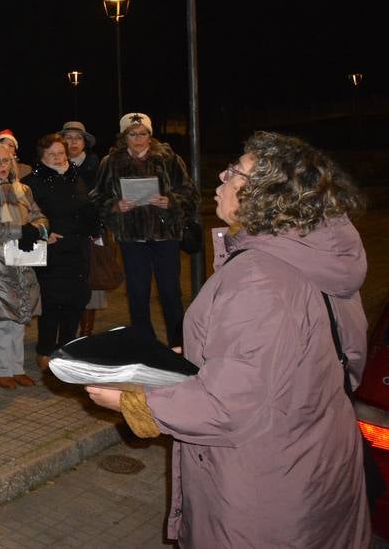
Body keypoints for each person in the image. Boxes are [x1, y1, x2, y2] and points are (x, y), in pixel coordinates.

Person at [87, 132, 371, 547]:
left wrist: (132, 401)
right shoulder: (313, 252)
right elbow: (318, 354)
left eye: (236, 171)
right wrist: (201, 353)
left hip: (265, 485)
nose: (222, 175)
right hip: (313, 452)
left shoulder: (261, 277)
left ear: (266, 196)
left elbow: (228, 403)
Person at [93, 112, 198, 348]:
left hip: (165, 236)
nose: (138, 139)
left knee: (170, 292)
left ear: (150, 136)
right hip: (132, 239)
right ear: (124, 137)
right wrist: (115, 205)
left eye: (143, 133)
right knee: (137, 293)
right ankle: (144, 344)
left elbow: (190, 193)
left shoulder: (169, 159)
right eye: (132, 134)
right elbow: (97, 197)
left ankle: (178, 344)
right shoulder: (111, 162)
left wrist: (171, 201)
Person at [0, 140, 49, 389]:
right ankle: (2, 369)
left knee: (20, 318)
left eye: (6, 160)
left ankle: (17, 367)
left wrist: (36, 229)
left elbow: (40, 217)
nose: (2, 165)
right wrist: (19, 230)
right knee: (1, 319)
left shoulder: (22, 190)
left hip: (22, 264)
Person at [21, 134, 95, 371]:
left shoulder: (76, 177)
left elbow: (85, 208)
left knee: (75, 302)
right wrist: (44, 232)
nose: (57, 158)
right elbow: (23, 216)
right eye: (51, 154)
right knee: (51, 304)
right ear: (42, 157)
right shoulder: (31, 182)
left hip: (78, 250)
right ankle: (45, 350)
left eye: (61, 153)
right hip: (52, 252)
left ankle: (66, 350)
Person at [59, 121, 105, 337]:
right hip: (64, 233)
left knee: (91, 281)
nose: (73, 142)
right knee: (66, 282)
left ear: (85, 142)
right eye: (68, 138)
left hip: (90, 231)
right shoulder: (54, 165)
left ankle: (86, 332)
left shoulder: (97, 167)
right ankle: (67, 332)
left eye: (78, 138)